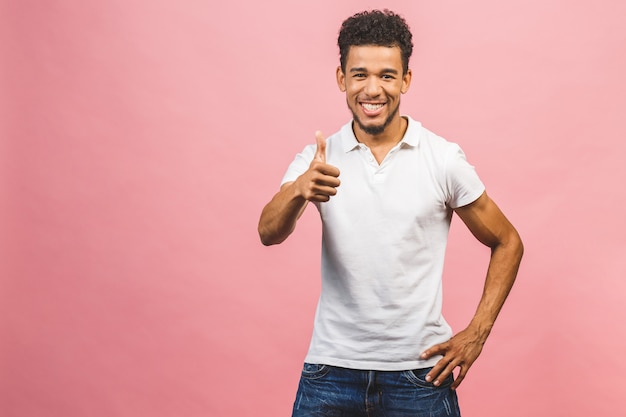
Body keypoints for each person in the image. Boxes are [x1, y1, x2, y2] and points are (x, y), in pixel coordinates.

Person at [258, 9, 523, 417]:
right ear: (341, 79)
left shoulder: (442, 159)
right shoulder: (318, 159)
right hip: (331, 370)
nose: (373, 89)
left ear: (406, 80)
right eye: (360, 74)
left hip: (420, 376)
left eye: (386, 75)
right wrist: (299, 190)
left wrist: (477, 333)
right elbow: (268, 231)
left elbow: (507, 241)